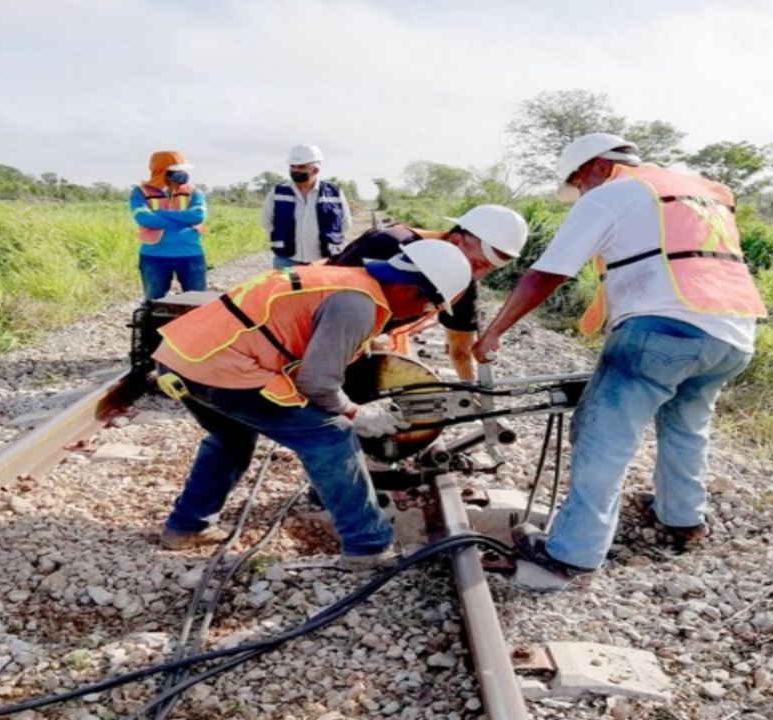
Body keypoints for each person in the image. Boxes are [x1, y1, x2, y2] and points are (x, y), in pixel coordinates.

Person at [472, 133, 768, 589]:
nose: (582, 196)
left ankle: (569, 557)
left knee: (603, 437)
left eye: (578, 185)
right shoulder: (695, 189)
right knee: (686, 425)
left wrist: (494, 331)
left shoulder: (612, 193)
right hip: (733, 334)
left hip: (662, 332)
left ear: (592, 167)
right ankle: (684, 518)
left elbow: (547, 273)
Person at [150, 240, 472, 570]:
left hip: (180, 358)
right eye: (430, 306)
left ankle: (187, 527)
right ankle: (368, 546)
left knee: (232, 439)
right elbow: (317, 384)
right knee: (330, 435)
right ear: (411, 290)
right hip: (224, 370)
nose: (424, 314)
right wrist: (356, 413)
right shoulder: (358, 304)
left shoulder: (347, 279)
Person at [330, 204, 528, 381]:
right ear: (454, 240)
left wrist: (472, 395)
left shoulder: (465, 282)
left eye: (488, 271)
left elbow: (461, 349)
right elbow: (329, 304)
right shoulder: (388, 245)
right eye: (477, 264)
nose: (476, 276)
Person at [129, 150, 209, 300]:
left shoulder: (194, 191)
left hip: (191, 253)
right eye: (177, 170)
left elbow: (198, 216)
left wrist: (162, 213)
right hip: (154, 256)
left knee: (198, 303)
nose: (182, 174)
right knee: (153, 304)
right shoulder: (140, 192)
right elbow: (144, 219)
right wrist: (184, 220)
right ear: (163, 171)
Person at [261, 143, 353, 269]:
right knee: (287, 289)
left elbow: (345, 223)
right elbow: (267, 221)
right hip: (287, 259)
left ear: (315, 169)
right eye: (292, 166)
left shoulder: (335, 193)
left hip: (323, 261)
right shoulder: (278, 191)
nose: (294, 170)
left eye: (300, 167)